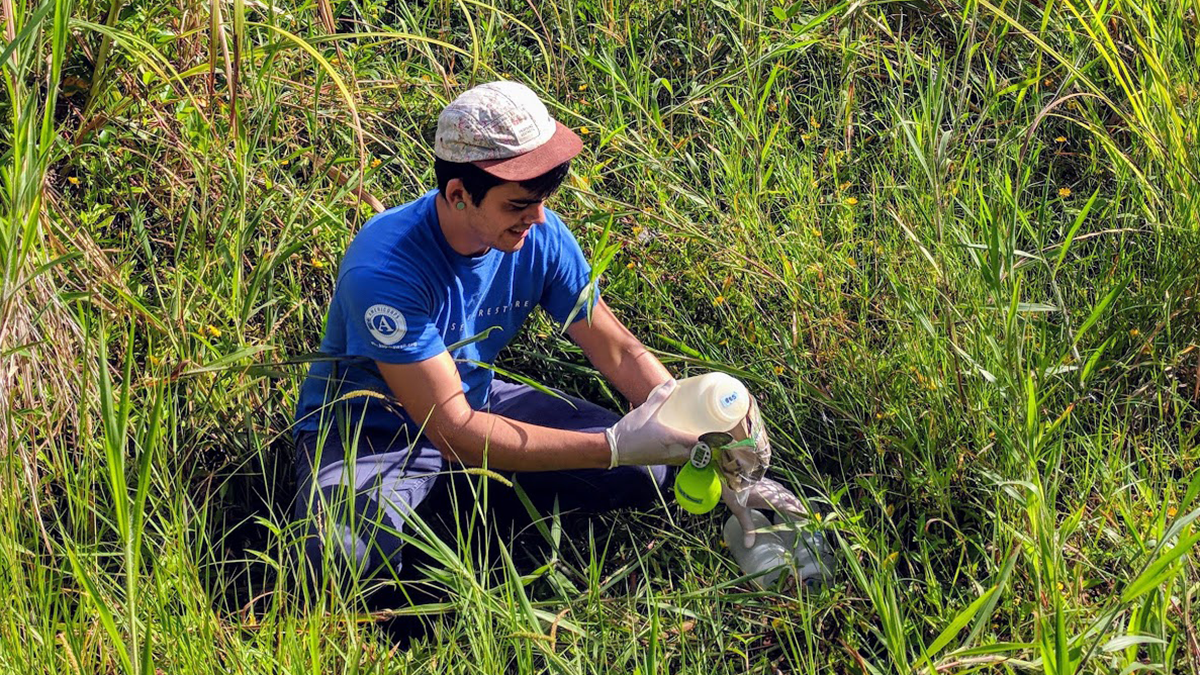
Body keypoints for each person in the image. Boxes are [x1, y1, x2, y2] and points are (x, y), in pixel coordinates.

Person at [290, 80, 804, 598]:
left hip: (476, 401)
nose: (537, 219)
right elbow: (452, 430)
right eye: (518, 204)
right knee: (341, 559)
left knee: (649, 470)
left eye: (542, 201)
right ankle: (444, 516)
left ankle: (474, 498)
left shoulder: (537, 232)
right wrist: (610, 447)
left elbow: (616, 347)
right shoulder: (384, 272)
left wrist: (700, 429)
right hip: (372, 432)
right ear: (459, 195)